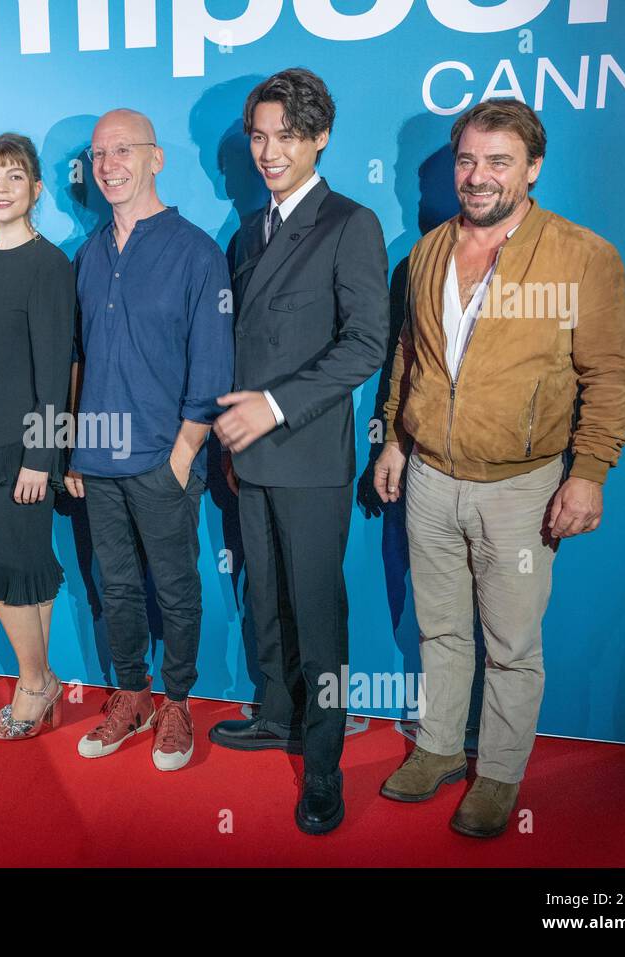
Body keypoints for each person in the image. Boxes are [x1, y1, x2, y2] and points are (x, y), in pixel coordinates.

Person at [374, 99, 625, 838]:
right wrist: (396, 437)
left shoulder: (580, 254)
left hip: (524, 486)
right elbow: (411, 356)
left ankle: (497, 771)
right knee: (440, 629)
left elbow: (610, 375)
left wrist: (589, 471)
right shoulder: (426, 252)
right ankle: (437, 749)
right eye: (467, 160)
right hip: (429, 477)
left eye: (497, 162)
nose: (478, 176)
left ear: (533, 168)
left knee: (513, 645)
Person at [211, 69, 390, 834]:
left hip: (311, 459)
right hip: (248, 459)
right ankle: (276, 713)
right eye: (258, 134)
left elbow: (368, 344)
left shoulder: (351, 223)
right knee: (265, 600)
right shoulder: (247, 230)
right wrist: (232, 430)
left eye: (286, 135)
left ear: (320, 138)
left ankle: (323, 766)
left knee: (319, 620)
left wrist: (274, 406)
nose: (268, 150)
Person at [65, 109, 234, 771]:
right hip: (98, 460)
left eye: (123, 149)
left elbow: (214, 365)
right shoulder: (88, 253)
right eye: (99, 154)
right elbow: (79, 357)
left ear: (155, 159)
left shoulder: (197, 252)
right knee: (116, 585)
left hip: (167, 456)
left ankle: (177, 704)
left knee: (175, 585)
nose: (109, 164)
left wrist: (186, 451)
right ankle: (132, 694)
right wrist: (76, 447)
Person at [0, 133, 75, 740]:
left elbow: (55, 370)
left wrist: (40, 457)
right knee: (23, 565)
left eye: (14, 177)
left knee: (3, 567)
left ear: (37, 189)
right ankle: (42, 681)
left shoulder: (49, 266)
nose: (1, 189)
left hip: (27, 450)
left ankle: (34, 682)